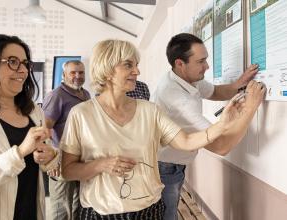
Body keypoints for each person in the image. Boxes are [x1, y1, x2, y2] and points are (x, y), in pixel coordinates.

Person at [59, 39, 265, 220]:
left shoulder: (150, 110)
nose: (137, 72)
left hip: (148, 210)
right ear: (108, 69)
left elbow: (185, 141)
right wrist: (100, 165)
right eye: (129, 65)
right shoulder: (81, 114)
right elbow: (67, 170)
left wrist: (223, 123)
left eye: (137, 65)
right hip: (100, 214)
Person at [153, 33, 262, 220]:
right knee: (167, 215)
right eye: (201, 61)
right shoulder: (176, 98)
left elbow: (214, 91)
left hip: (173, 164)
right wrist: (251, 107)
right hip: (165, 167)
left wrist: (239, 83)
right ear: (180, 63)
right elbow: (221, 146)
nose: (207, 66)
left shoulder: (184, 77)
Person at [0, 34, 59, 220]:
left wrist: (50, 156)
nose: (23, 70)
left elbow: (47, 158)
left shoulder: (33, 111)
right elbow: (23, 151)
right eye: (13, 62)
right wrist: (21, 151)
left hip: (32, 210)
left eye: (25, 63)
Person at [42, 60, 91, 220]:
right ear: (64, 75)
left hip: (81, 160)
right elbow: (44, 129)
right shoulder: (56, 95)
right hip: (60, 161)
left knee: (80, 204)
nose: (78, 76)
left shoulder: (86, 94)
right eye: (73, 72)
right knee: (61, 209)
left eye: (81, 72)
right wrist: (52, 159)